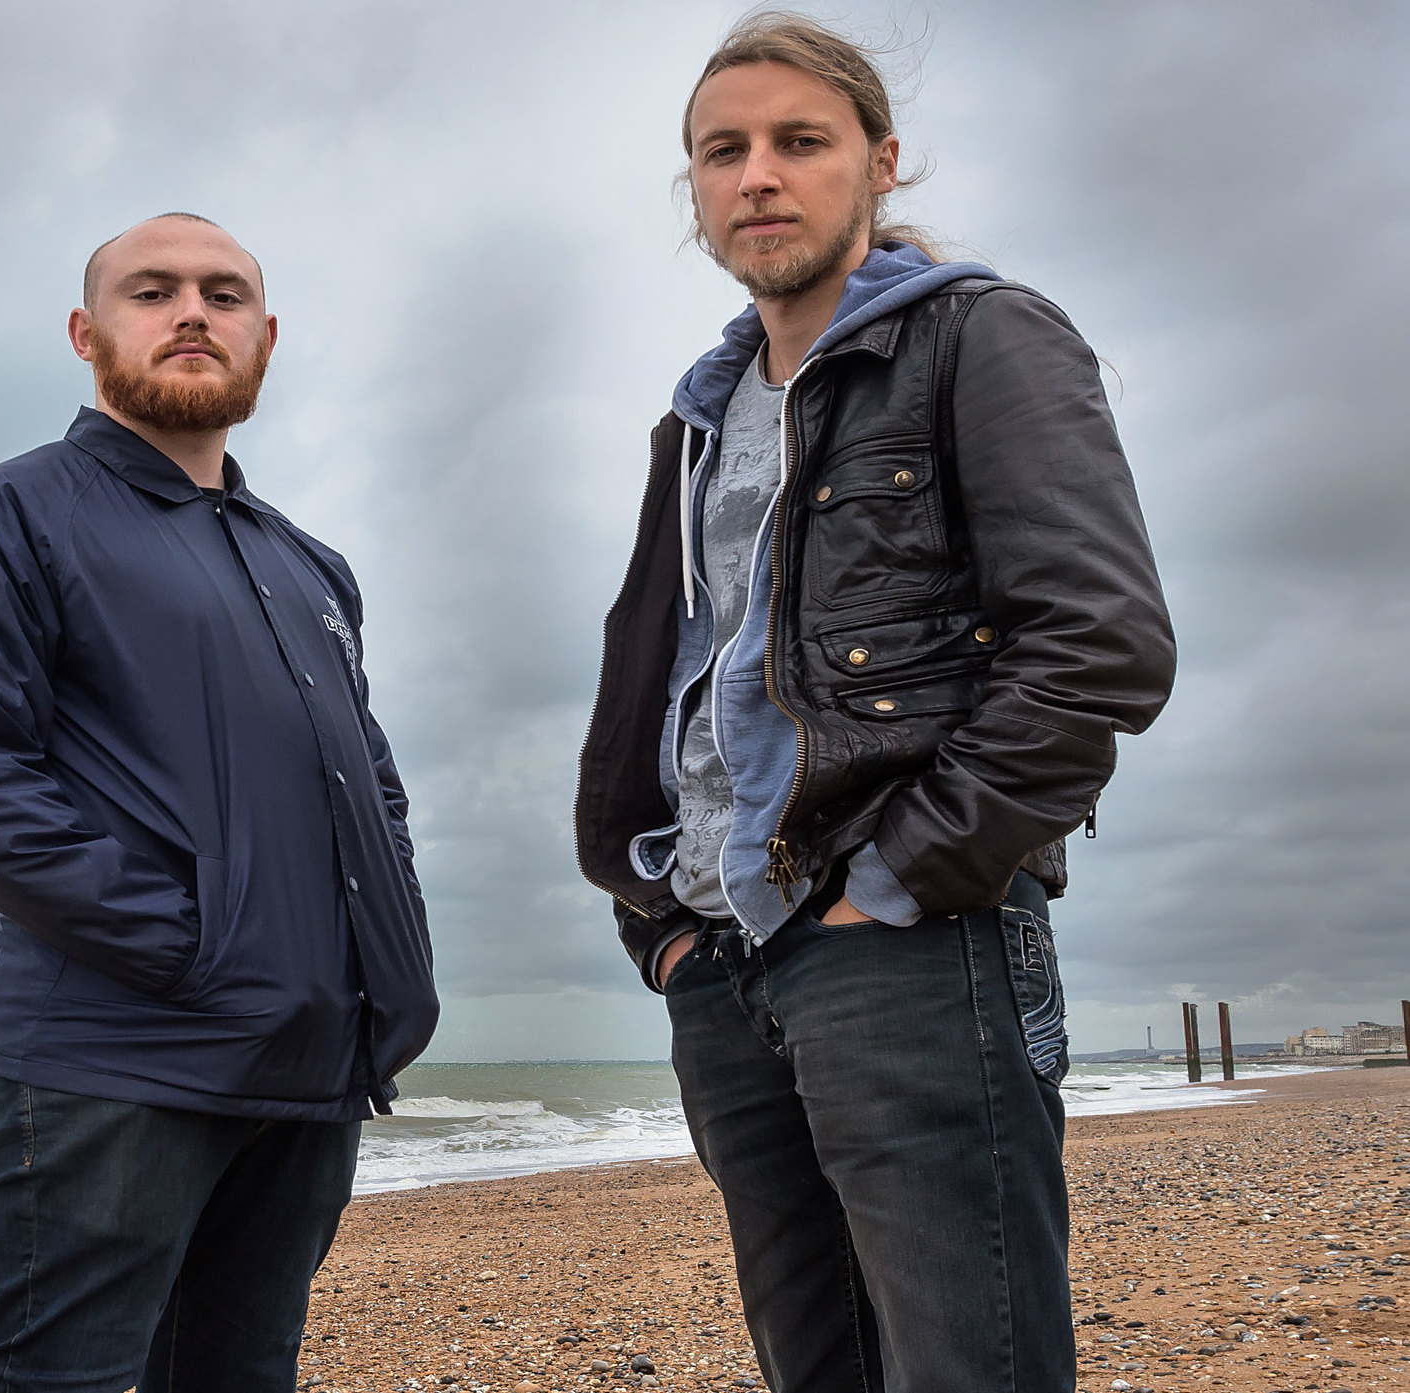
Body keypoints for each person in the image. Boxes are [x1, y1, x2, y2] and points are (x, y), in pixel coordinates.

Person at [572, 14, 1175, 1391]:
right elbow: (673, 675)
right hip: (721, 960)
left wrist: (897, 877)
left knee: (970, 1364)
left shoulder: (979, 338)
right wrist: (656, 921)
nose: (758, 177)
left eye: (799, 141)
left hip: (908, 938)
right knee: (817, 1365)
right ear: (694, 188)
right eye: (722, 152)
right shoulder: (699, 421)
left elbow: (1098, 647)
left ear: (877, 162)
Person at [0, 213, 436, 1391]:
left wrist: (385, 971)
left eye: (224, 294)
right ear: (88, 334)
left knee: (242, 1374)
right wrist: (193, 948)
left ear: (266, 339)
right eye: (154, 290)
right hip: (115, 1057)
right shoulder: (0, 517)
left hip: (307, 1059)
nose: (193, 310)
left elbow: (369, 783)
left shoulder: (309, 564)